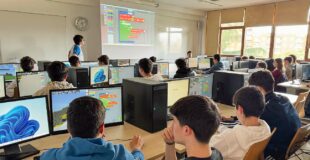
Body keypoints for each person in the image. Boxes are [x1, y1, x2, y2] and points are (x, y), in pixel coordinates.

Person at [40, 96, 144, 160]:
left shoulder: (51, 156)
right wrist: (137, 149)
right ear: (102, 128)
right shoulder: (119, 154)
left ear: (68, 128)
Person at [248, 70, 301, 159]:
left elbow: (249, 126)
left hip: (277, 152)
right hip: (292, 145)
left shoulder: (266, 108)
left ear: (259, 89)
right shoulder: (283, 99)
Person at [210, 86, 271, 160]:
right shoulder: (266, 128)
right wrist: (221, 127)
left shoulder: (230, 137)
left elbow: (205, 146)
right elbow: (235, 133)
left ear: (240, 109)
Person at [162, 95, 223, 160]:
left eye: (174, 121)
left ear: (186, 130)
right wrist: (170, 144)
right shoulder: (217, 154)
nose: (170, 126)